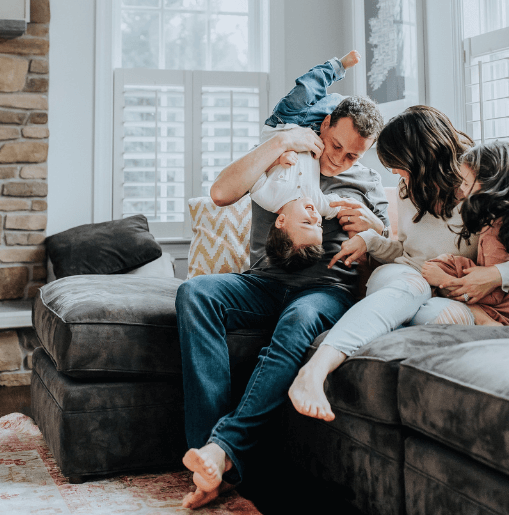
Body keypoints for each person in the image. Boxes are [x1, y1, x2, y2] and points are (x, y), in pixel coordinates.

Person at [175, 67, 389, 508]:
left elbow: (389, 250)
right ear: (324, 125)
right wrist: (278, 143)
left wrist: (372, 230)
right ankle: (209, 458)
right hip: (264, 282)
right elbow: (219, 193)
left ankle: (222, 450)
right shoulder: (285, 155)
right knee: (195, 294)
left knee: (299, 318)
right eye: (336, 147)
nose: (341, 160)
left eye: (354, 156)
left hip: (325, 290)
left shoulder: (367, 182)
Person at [288, 106, 509, 423]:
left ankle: (359, 356)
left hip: (450, 293)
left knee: (435, 315)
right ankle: (315, 370)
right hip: (405, 274)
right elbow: (405, 250)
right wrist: (370, 240)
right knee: (411, 286)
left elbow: (492, 256)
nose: (395, 174)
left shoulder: (480, 181)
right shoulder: (408, 189)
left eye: (398, 165)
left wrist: (491, 275)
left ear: (422, 157)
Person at [251, 51, 360, 269]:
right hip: (313, 131)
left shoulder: (267, 197)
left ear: (281, 222)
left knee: (308, 87)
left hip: (285, 121)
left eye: (305, 222)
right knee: (340, 105)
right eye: (318, 225)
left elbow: (254, 166)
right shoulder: (318, 204)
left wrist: (276, 160)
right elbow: (342, 207)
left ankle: (337, 66)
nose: (314, 216)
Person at [422, 141, 509, 326]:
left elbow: (494, 293)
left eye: (467, 182)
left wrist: (446, 280)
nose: (461, 189)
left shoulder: (497, 230)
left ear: (490, 184)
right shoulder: (492, 221)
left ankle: (485, 320)